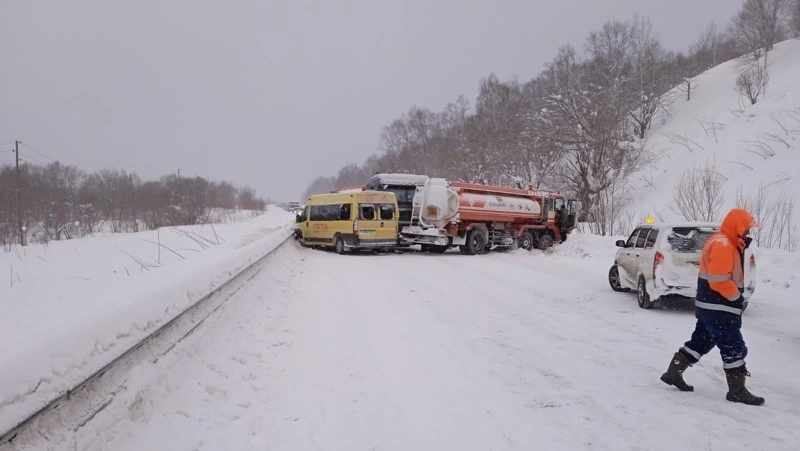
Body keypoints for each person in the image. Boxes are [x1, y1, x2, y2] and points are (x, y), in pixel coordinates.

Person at [660, 207, 764, 406]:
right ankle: (737, 391)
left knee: (701, 341)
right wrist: (736, 297)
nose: (748, 233)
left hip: (711, 307)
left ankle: (673, 373)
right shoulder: (723, 245)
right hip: (720, 308)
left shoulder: (725, 242)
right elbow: (718, 280)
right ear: (737, 227)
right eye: (747, 228)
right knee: (734, 347)